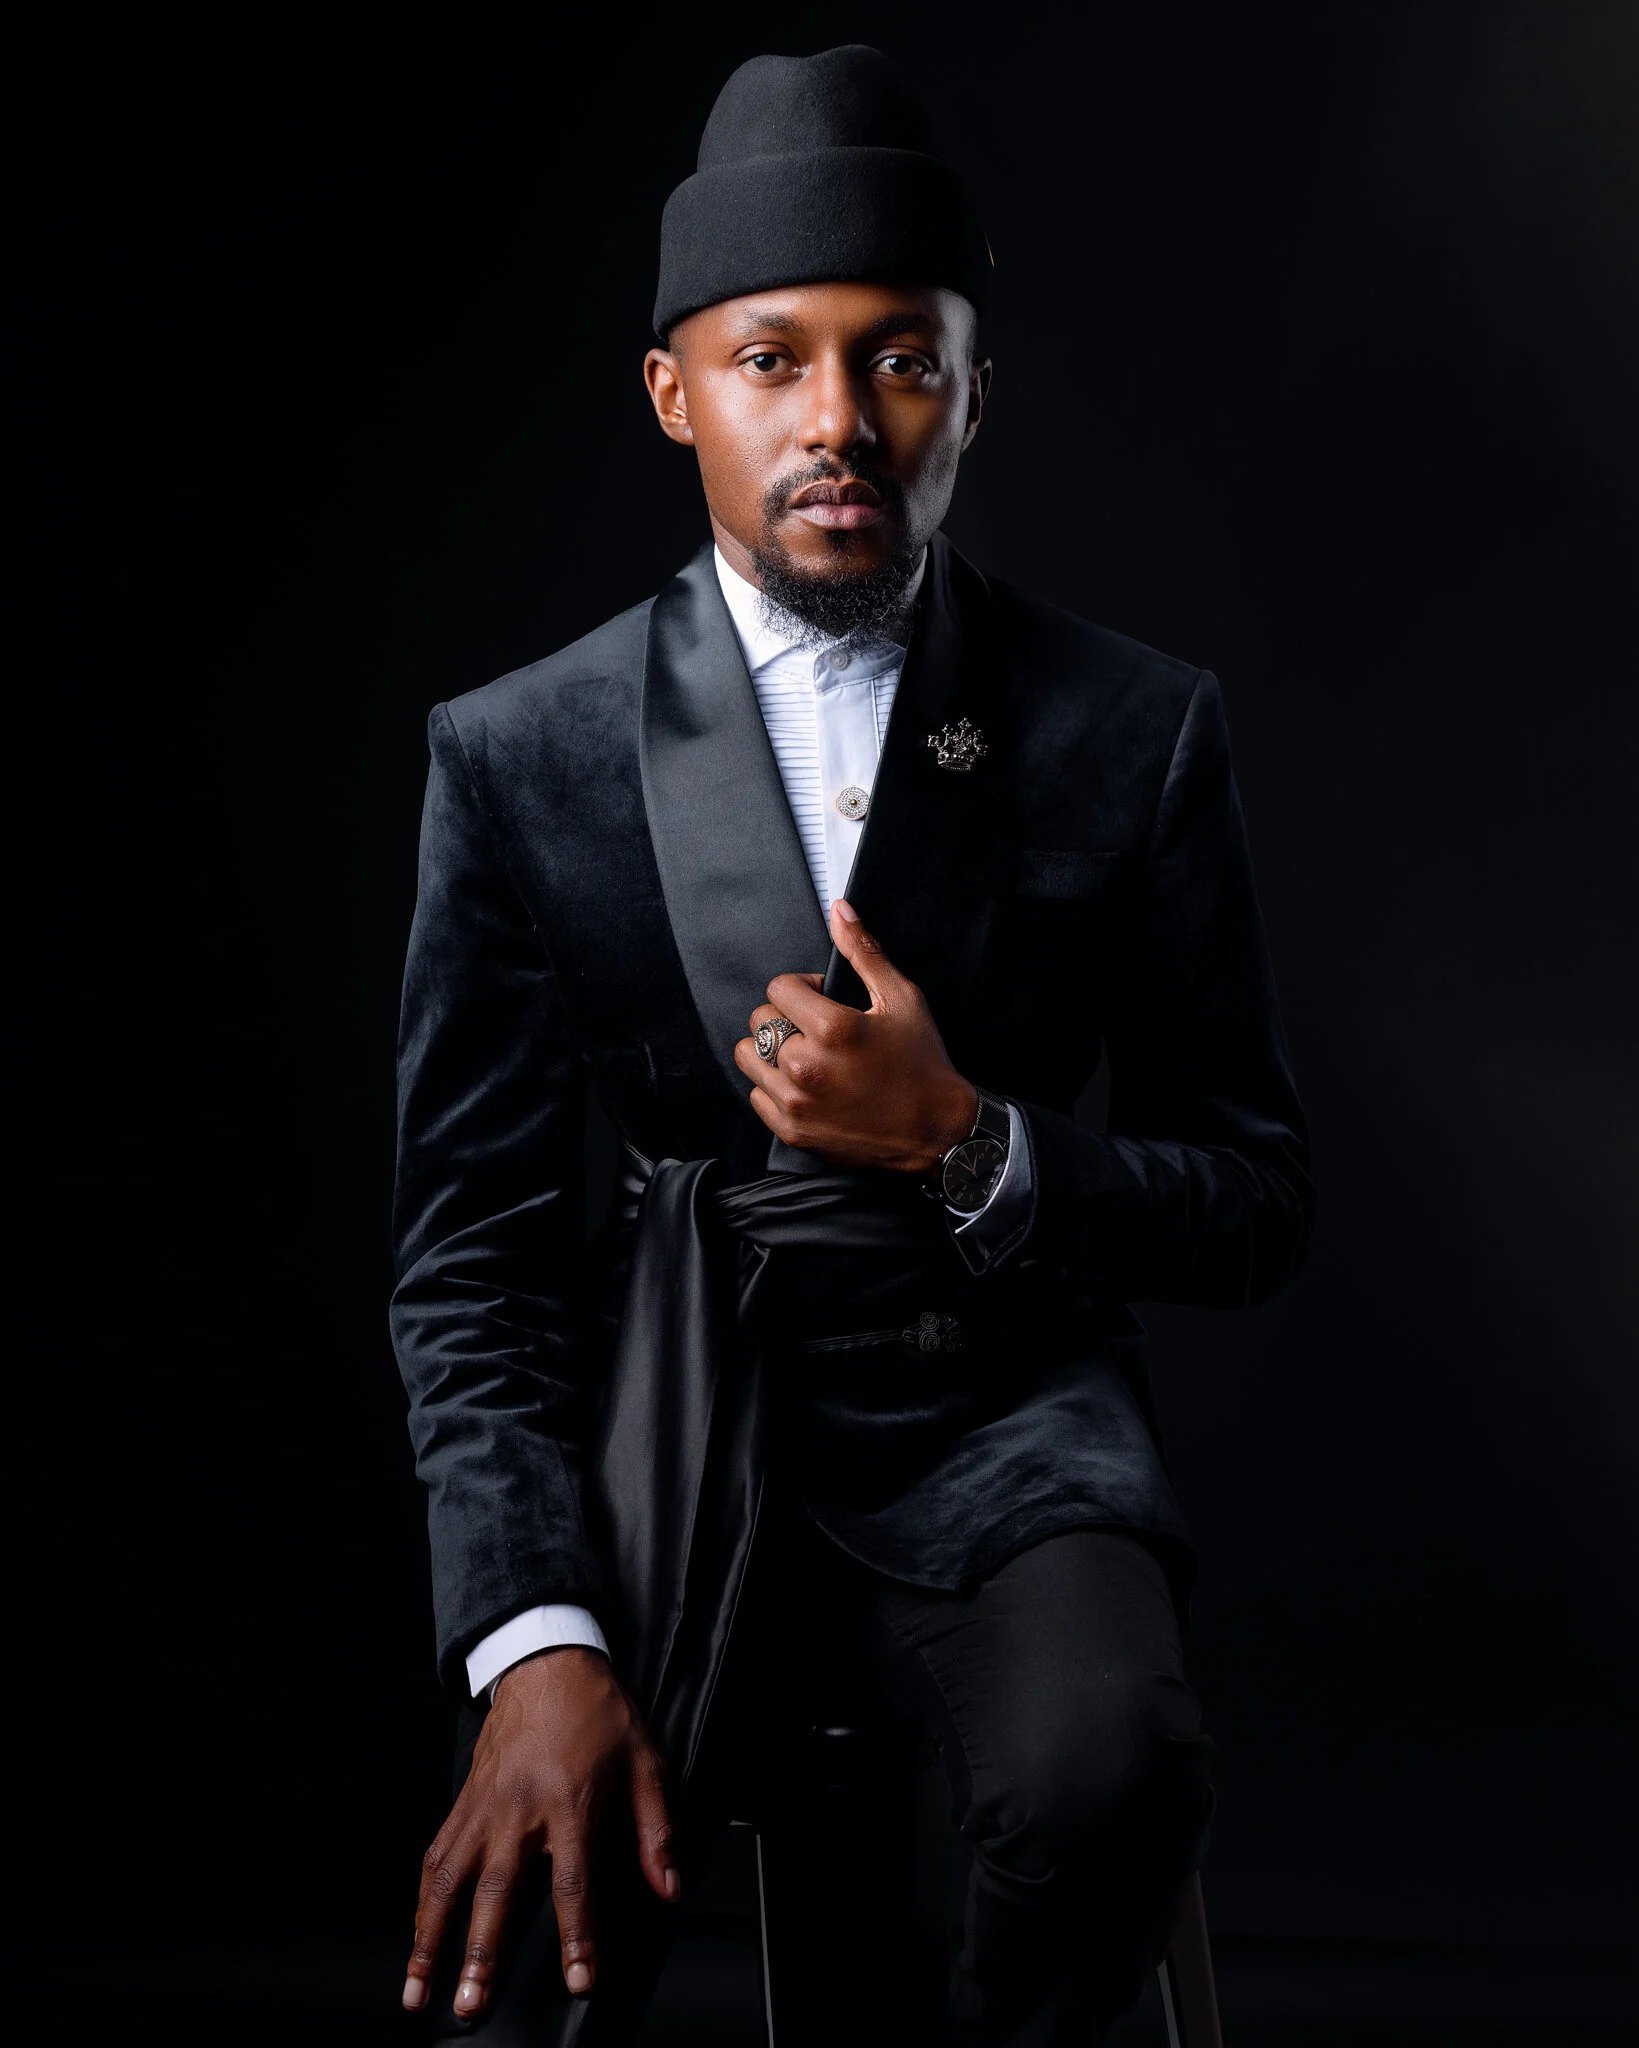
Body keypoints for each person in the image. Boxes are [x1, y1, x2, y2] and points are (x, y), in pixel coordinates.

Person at [390, 44, 1313, 2047]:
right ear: (672, 392)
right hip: (665, 1445)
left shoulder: (1128, 726)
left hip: (1006, 1436)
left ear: (976, 391)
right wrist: (531, 1641)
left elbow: (1256, 1199)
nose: (839, 421)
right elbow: (466, 1258)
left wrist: (976, 1142)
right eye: (771, 360)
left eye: (901, 360)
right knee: (508, 1971)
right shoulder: (521, 751)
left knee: (1110, 1775)